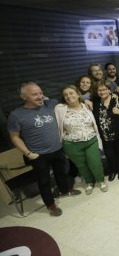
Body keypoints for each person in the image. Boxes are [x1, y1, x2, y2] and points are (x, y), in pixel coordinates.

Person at [7, 82, 81, 216]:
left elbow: (70, 101)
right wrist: (28, 153)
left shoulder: (51, 104)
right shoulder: (17, 115)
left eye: (41, 93)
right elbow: (14, 137)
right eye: (34, 94)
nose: (40, 96)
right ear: (23, 97)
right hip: (38, 155)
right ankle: (50, 205)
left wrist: (86, 102)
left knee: (61, 173)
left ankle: (65, 191)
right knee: (44, 181)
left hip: (57, 149)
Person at [55, 85, 107, 195]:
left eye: (71, 93)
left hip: (91, 140)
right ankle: (89, 182)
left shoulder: (87, 106)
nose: (69, 96)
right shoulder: (60, 109)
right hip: (71, 144)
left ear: (78, 94)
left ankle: (101, 180)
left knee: (95, 162)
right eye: (66, 95)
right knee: (81, 165)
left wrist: (87, 100)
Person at [92, 80, 119, 181]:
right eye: (99, 90)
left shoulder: (116, 99)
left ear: (109, 89)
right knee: (109, 154)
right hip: (104, 135)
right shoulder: (96, 102)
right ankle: (113, 170)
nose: (102, 92)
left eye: (104, 89)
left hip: (118, 133)